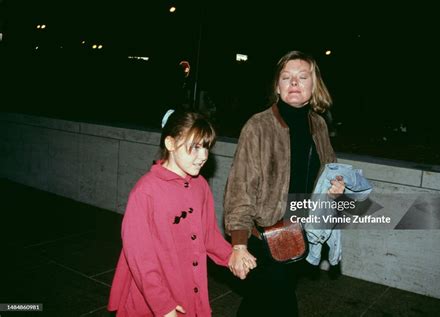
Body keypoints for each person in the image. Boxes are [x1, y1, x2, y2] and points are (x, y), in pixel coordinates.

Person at [224, 50, 345, 317]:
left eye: (302, 77)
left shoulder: (319, 126)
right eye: (286, 77)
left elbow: (329, 169)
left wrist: (335, 187)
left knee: (261, 303)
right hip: (264, 236)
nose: (294, 83)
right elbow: (240, 187)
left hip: (300, 235)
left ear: (314, 86)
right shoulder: (258, 126)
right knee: (279, 304)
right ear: (277, 86)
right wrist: (239, 243)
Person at [108, 110, 256, 317]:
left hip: (189, 287)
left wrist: (232, 256)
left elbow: (209, 235)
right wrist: (162, 303)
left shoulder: (200, 185)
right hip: (153, 295)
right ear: (170, 144)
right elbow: (141, 257)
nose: (203, 156)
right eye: (194, 148)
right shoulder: (145, 191)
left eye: (206, 147)